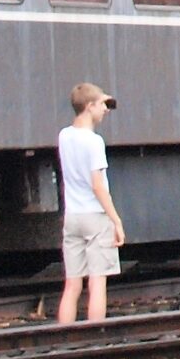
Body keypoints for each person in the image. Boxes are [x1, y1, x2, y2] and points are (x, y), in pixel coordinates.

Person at [56, 82, 125, 324]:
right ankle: (94, 340)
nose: (105, 110)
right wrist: (116, 220)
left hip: (72, 217)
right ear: (89, 106)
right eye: (101, 105)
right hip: (95, 216)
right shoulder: (94, 142)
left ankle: (64, 337)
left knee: (72, 284)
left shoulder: (64, 136)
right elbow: (98, 186)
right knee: (97, 283)